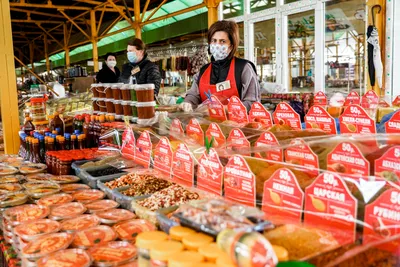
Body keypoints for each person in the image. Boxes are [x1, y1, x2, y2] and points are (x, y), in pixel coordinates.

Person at [181, 20, 260, 112]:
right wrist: (188, 102)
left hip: (236, 125)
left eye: (222, 41)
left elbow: (252, 103)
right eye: (214, 41)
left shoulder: (243, 68)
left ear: (231, 45)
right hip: (207, 124)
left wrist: (225, 109)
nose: (217, 45)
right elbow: (193, 95)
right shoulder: (203, 71)